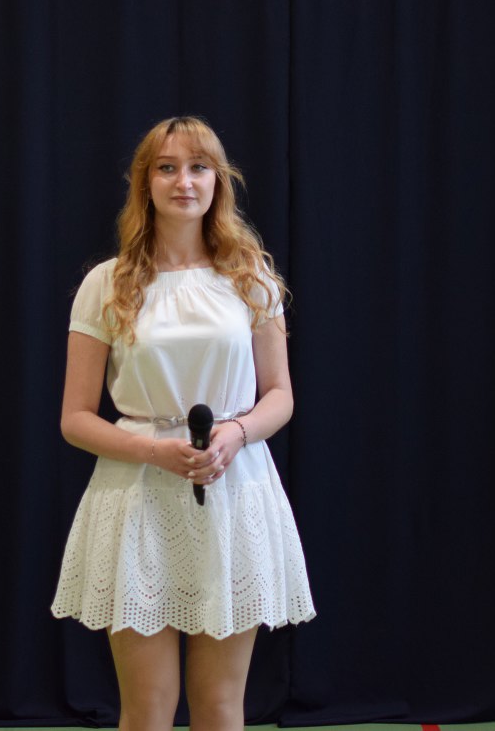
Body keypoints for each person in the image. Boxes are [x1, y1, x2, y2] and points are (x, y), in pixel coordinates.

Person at [51, 116, 315, 731]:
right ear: (144, 183)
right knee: (147, 708)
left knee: (221, 705)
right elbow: (75, 418)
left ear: (219, 181)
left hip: (233, 492)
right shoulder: (106, 283)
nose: (183, 182)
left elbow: (279, 396)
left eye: (198, 168)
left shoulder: (249, 277)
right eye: (166, 168)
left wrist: (236, 434)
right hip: (136, 497)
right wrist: (154, 451)